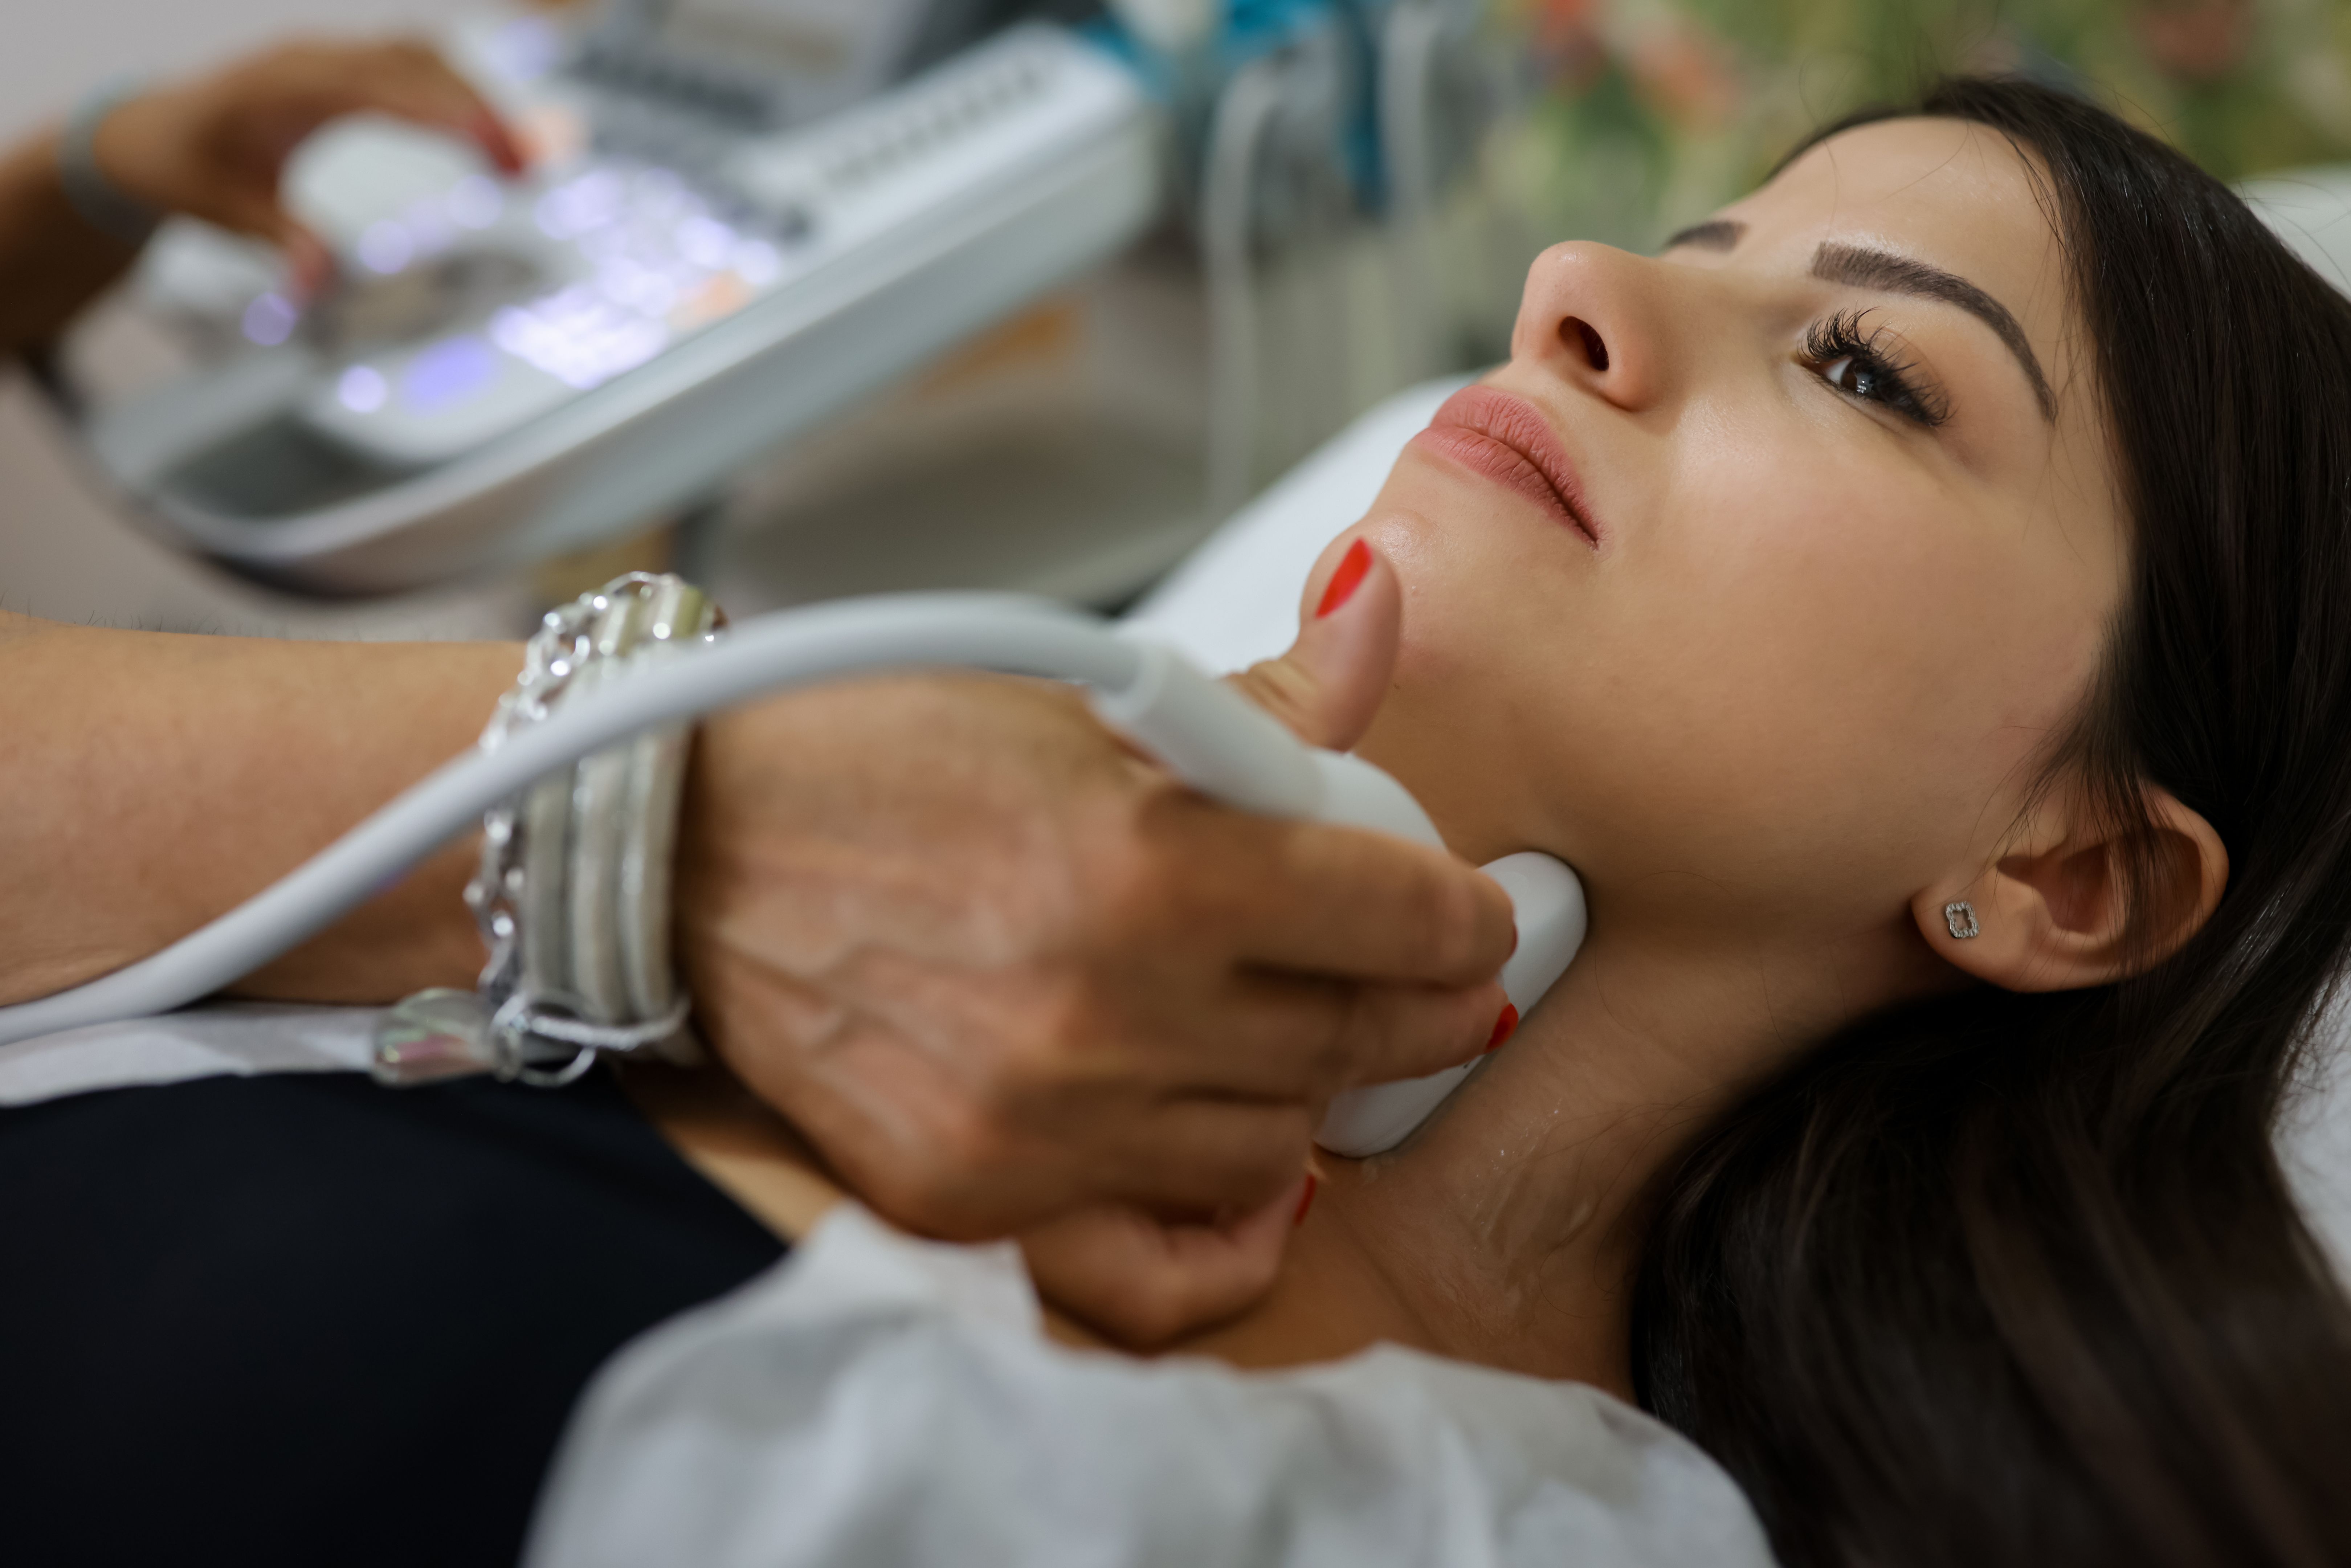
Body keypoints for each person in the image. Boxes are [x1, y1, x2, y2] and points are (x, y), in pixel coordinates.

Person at [9, 51, 2351, 1568]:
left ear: (2066, 872)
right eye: (1691, 244)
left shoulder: (1459, 1533)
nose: (1575, 283)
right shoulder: (698, 800)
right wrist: (666, 822)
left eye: (1865, 363)